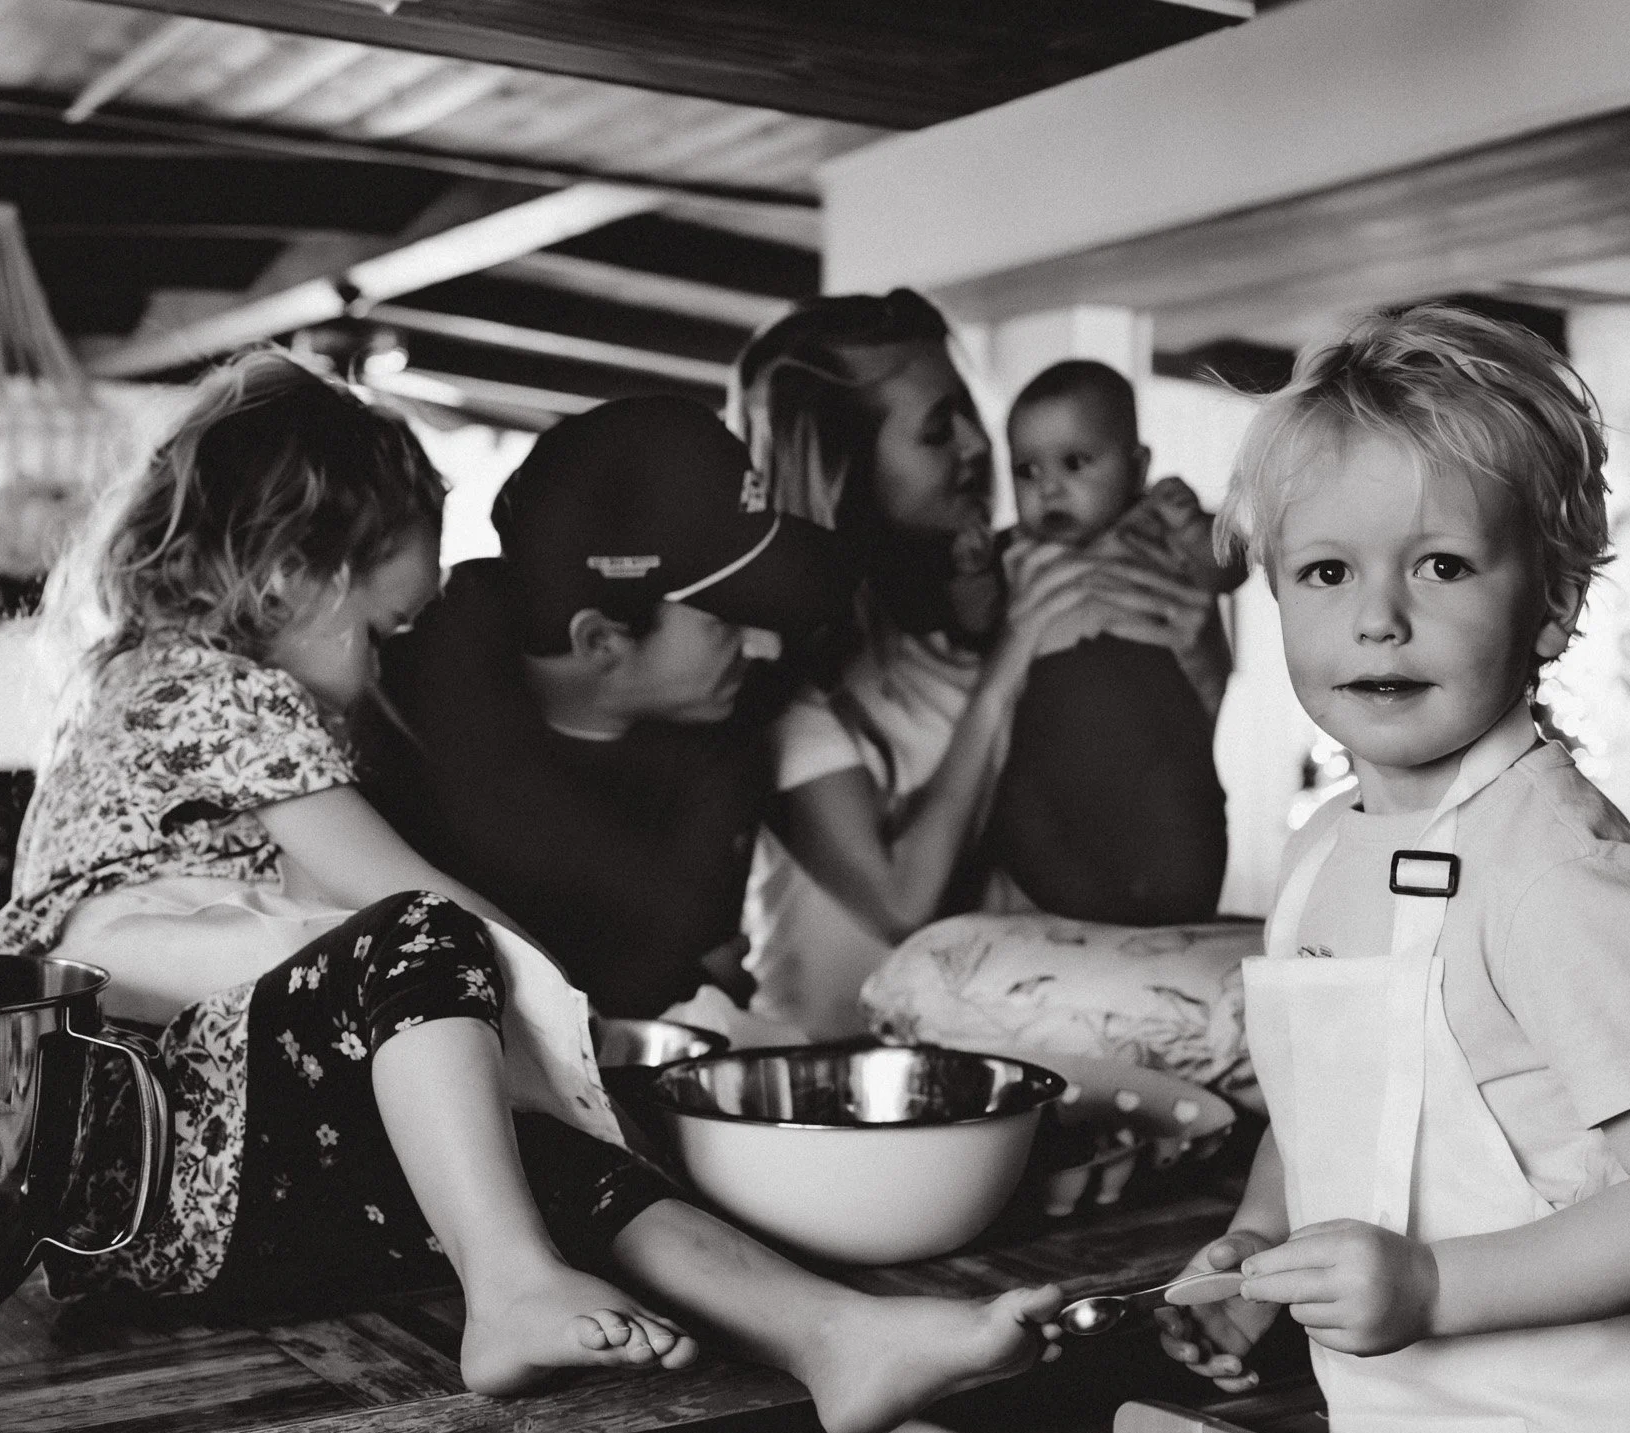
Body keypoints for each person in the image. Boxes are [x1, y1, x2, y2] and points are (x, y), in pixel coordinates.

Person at [0, 353, 1061, 1433]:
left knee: (536, 1155)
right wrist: (574, 1031)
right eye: (382, 630)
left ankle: (830, 1333)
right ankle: (507, 1287)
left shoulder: (153, 691)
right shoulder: (216, 687)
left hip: (181, 1197)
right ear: (285, 579)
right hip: (153, 1156)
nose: (384, 666)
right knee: (432, 941)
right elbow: (407, 906)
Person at [1157, 305, 1630, 1433]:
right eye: (1324, 570)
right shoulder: (1324, 854)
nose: (1378, 614)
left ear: (1548, 598)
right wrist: (1261, 1247)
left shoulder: (1550, 872)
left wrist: (1427, 1287)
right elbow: (1323, 1112)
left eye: (1440, 562)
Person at [732, 292, 1226, 1039]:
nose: (975, 444)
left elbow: (1133, 766)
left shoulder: (994, 594)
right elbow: (901, 900)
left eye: (969, 412)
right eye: (937, 430)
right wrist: (1008, 663)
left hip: (1004, 1052)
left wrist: (1199, 654)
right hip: (833, 1077)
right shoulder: (789, 681)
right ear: (846, 467)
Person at [361, 396, 852, 1026]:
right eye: (726, 620)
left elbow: (690, 974)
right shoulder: (395, 690)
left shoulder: (726, 719)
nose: (765, 645)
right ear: (599, 641)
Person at [978, 359, 1231, 926]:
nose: (1048, 488)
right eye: (1025, 470)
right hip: (1048, 773)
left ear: (1138, 467)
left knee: (1181, 869)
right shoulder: (1016, 553)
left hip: (1163, 763)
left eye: (1075, 463)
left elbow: (1227, 569)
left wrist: (1192, 525)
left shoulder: (1156, 531)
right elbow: (967, 614)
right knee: (1029, 830)